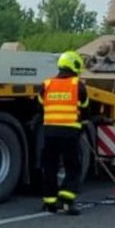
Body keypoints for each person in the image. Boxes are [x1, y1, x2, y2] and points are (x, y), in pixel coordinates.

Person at [37, 51, 89, 215]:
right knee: (72, 167)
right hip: (70, 134)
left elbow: (39, 107)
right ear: (75, 65)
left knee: (50, 167)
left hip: (50, 133)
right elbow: (85, 111)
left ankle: (49, 202)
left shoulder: (46, 85)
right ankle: (67, 202)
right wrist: (83, 127)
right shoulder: (78, 86)